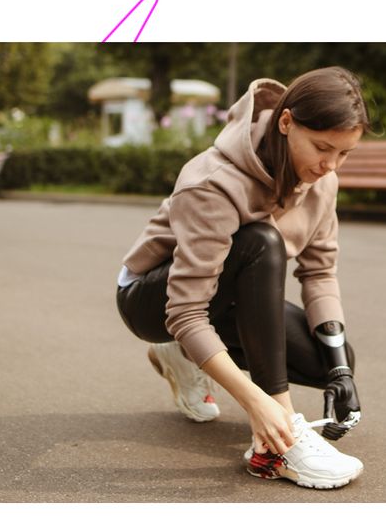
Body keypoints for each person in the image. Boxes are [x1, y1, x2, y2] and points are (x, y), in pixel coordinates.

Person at [116, 67, 369, 490]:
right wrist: (261, 404)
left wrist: (341, 370)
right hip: (152, 300)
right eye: (323, 148)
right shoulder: (212, 182)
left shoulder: (323, 182)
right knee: (260, 242)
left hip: (226, 299)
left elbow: (320, 271)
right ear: (285, 123)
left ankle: (185, 356)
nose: (330, 165)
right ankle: (277, 444)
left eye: (344, 154)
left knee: (327, 359)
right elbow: (185, 311)